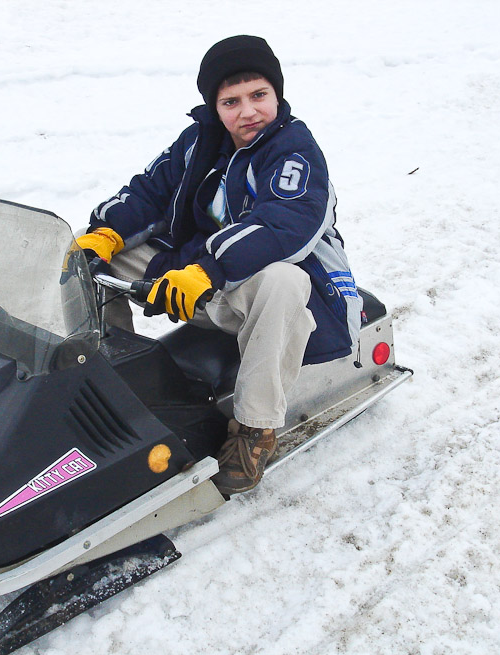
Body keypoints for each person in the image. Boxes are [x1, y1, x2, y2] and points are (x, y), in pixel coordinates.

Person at [77, 35, 362, 494]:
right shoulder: (199, 140)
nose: (248, 111)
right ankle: (110, 385)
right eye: (231, 101)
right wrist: (105, 233)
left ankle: (254, 430)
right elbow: (150, 189)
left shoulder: (294, 150)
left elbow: (282, 227)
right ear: (215, 105)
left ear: (277, 95)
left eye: (259, 95)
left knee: (284, 281)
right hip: (197, 280)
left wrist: (206, 272)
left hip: (272, 297)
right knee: (90, 263)